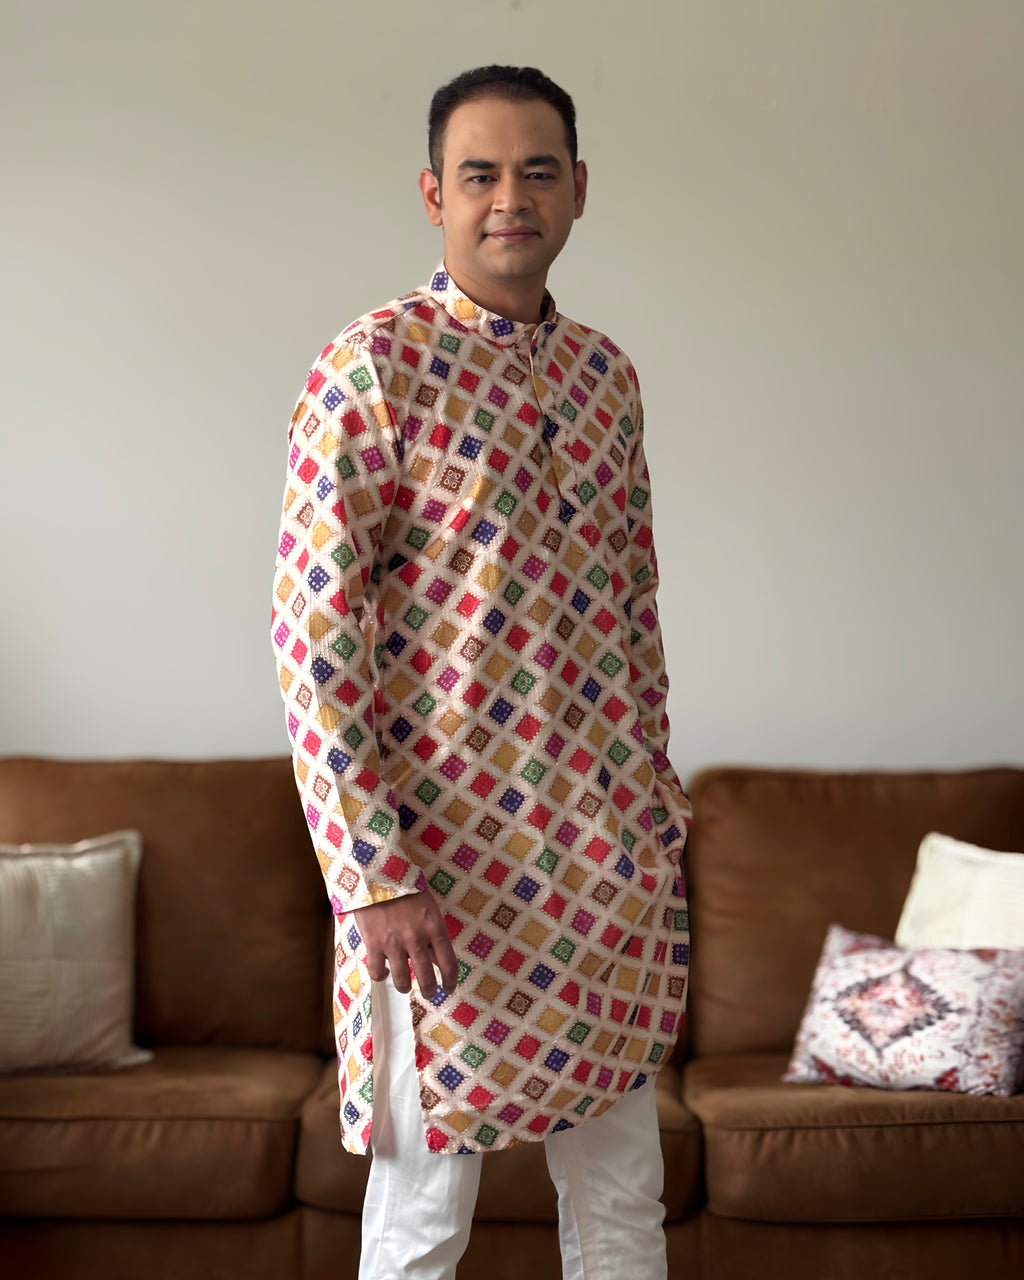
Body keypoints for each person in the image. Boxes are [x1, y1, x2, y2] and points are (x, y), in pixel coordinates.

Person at [271, 64, 692, 1280]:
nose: (512, 197)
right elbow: (315, 638)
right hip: (439, 890)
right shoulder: (371, 369)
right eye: (481, 174)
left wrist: (656, 815)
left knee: (621, 1203)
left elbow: (633, 608)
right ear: (433, 194)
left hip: (605, 875)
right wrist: (373, 875)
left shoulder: (605, 378)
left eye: (537, 171)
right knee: (420, 1226)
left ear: (576, 193)